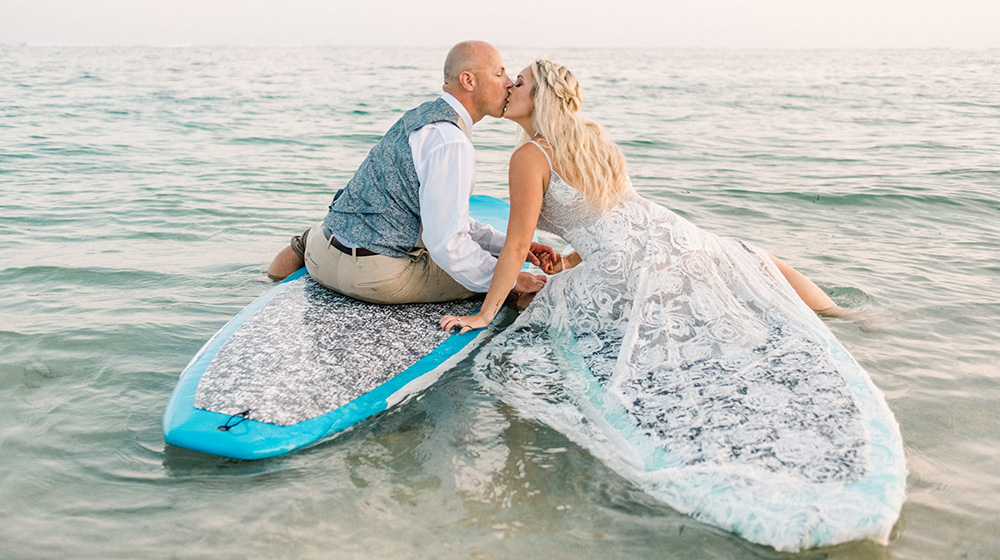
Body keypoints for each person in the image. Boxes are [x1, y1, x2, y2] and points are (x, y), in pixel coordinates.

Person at [439, 59, 900, 547]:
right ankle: (845, 315)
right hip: (670, 235)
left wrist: (486, 312)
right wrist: (574, 259)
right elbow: (615, 217)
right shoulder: (592, 140)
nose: (510, 85)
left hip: (622, 266)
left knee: (536, 306)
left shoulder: (530, 156)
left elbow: (516, 245)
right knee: (751, 259)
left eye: (521, 82)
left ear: (542, 98)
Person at [267, 41, 554, 304]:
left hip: (322, 256)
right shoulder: (451, 142)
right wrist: (514, 276)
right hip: (375, 278)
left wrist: (508, 245)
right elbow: (447, 244)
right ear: (469, 81)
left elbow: (449, 219)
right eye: (499, 73)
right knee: (499, 281)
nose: (508, 83)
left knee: (305, 238)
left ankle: (264, 288)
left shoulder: (419, 117)